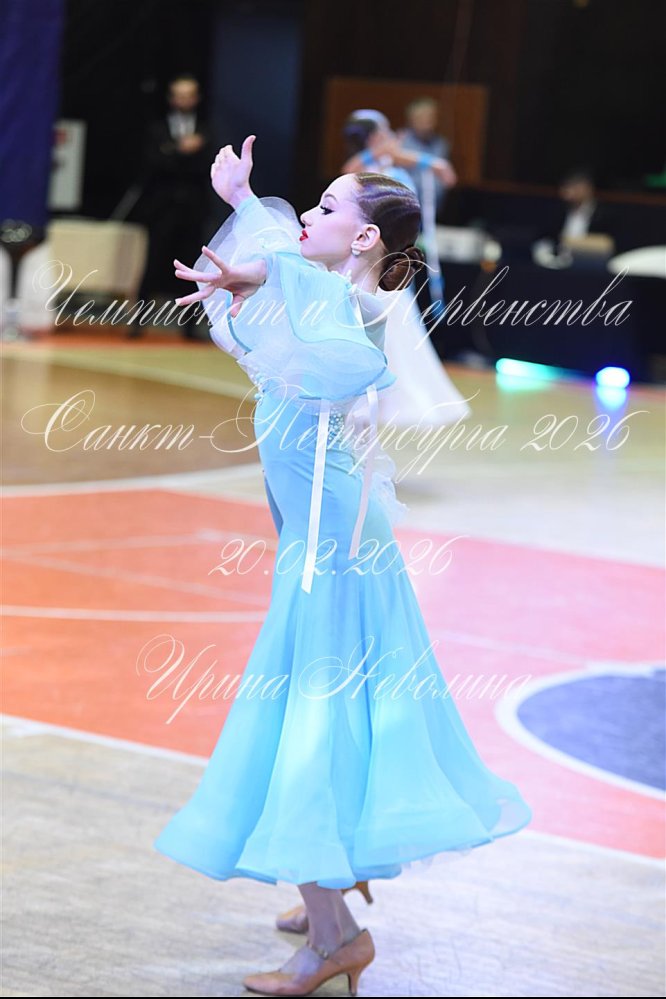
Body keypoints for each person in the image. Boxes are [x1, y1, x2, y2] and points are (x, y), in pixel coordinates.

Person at [153, 135, 533, 997]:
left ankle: (334, 937)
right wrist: (245, 227)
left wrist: (253, 238)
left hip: (329, 553)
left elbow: (300, 289)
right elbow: (283, 284)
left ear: (363, 238)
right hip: (321, 536)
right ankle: (330, 883)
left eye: (325, 207)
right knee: (325, 713)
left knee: (302, 726)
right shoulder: (325, 289)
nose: (306, 214)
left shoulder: (348, 302)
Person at [341, 109, 472, 430]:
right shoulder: (364, 168)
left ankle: (394, 399)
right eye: (385, 132)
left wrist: (429, 163)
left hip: (393, 258)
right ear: (375, 137)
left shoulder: (392, 162)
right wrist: (389, 153)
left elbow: (434, 170)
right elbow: (351, 169)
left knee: (400, 332)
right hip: (369, 261)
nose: (393, 136)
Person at [128, 74, 212, 340]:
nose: (184, 100)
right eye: (179, 95)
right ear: (171, 99)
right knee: (152, 263)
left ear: (196, 98)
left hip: (193, 209)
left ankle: (189, 326)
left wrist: (179, 152)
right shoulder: (157, 129)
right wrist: (180, 150)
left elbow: (208, 166)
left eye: (189, 95)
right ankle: (138, 322)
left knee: (191, 267)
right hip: (162, 209)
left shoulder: (207, 130)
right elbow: (154, 162)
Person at [397, 96, 453, 218]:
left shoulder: (441, 144)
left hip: (433, 209)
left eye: (430, 117)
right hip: (405, 209)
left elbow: (448, 180)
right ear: (411, 119)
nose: (426, 121)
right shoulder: (399, 140)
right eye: (421, 117)